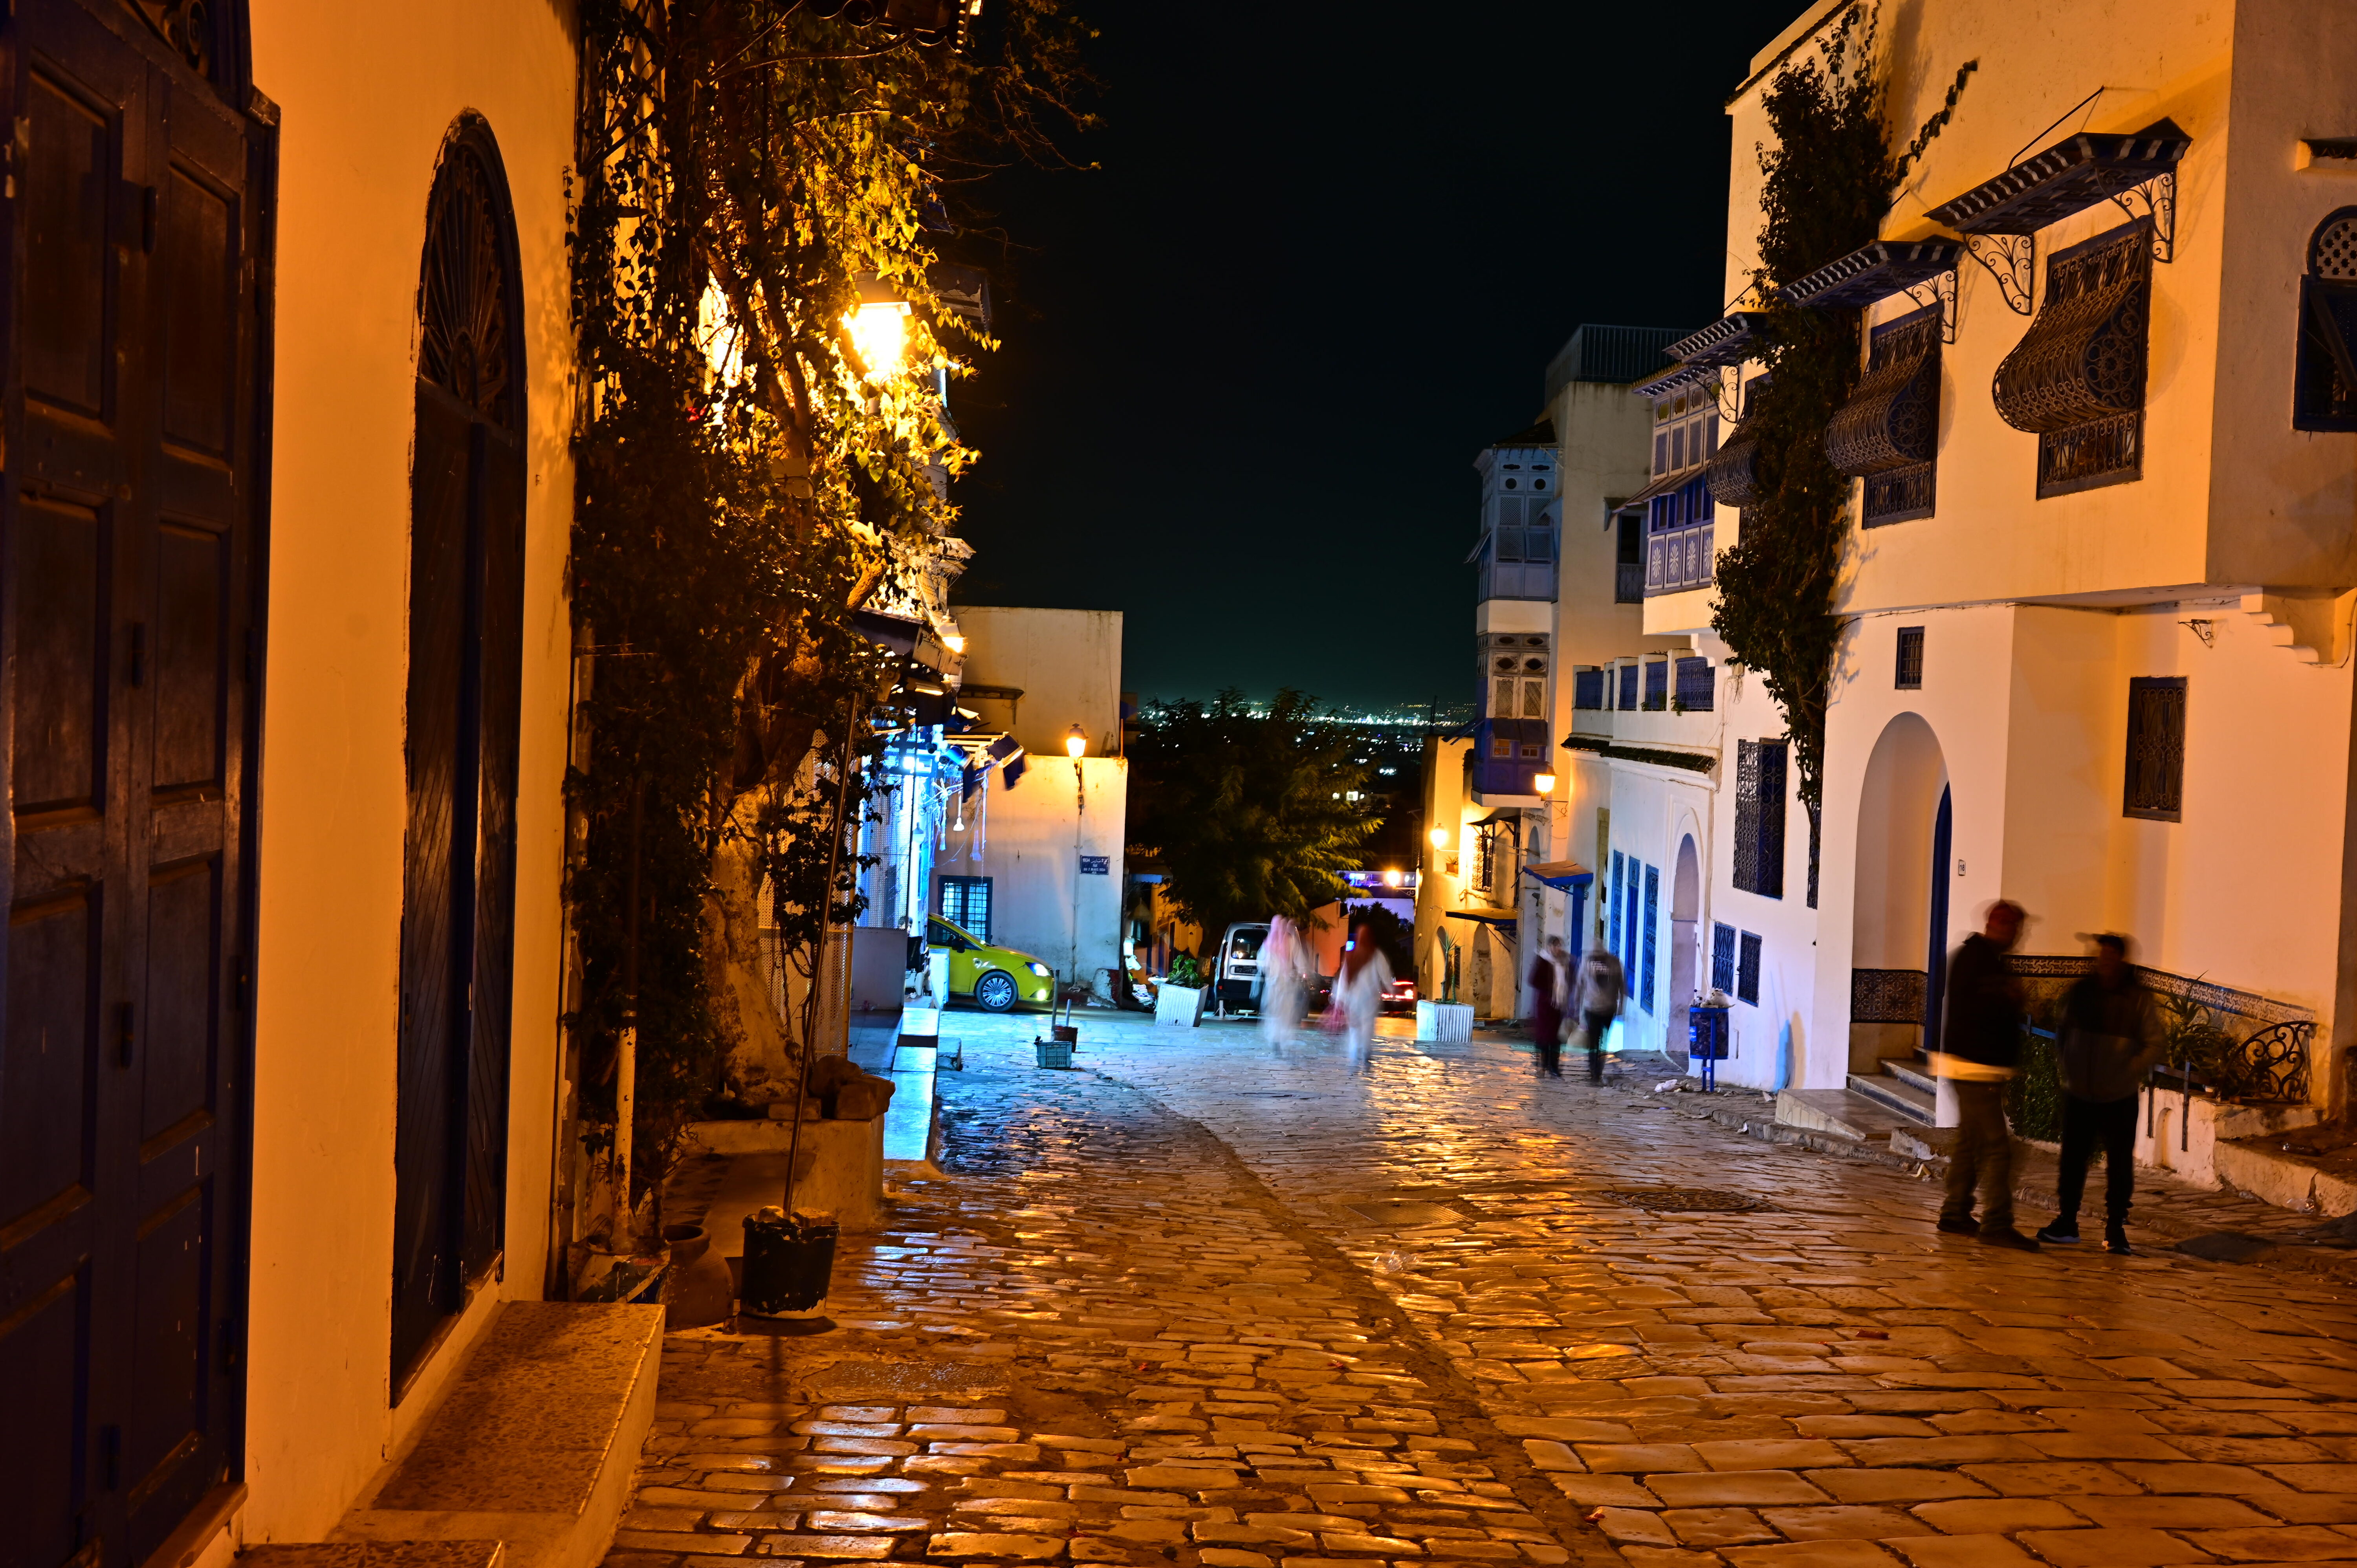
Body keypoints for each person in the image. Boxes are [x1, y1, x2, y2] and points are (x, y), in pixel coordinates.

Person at [2037, 934, 2164, 1255]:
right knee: (2072, 1160)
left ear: (2121, 960)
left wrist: (2127, 1069)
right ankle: (2067, 1222)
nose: (2105, 961)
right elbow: (2063, 1030)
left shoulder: (2136, 998)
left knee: (2119, 1164)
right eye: (2102, 955)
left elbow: (2153, 1041)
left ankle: (2115, 1229)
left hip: (2118, 1095)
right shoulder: (2082, 992)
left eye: (2111, 956)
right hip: (2080, 1091)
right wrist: (2068, 1065)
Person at [1932, 899, 2038, 1251]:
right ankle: (1997, 1222)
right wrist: (2011, 997)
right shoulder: (1979, 961)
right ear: (1999, 925)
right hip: (1977, 1068)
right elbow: (1983, 1013)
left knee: (1970, 1142)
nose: (2018, 935)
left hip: (1970, 1065)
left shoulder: (1983, 959)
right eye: (2014, 927)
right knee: (1998, 1148)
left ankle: (1955, 1212)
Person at [1332, 922, 1393, 1071]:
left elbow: (1344, 979)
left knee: (1354, 1028)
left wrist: (1339, 1000)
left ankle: (1354, 1054)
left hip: (1353, 999)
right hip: (1369, 1000)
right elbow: (1385, 974)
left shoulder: (1352, 955)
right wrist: (1392, 989)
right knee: (1367, 1027)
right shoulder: (1376, 955)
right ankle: (1365, 1053)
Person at [1569, 945, 1624, 1084]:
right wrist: (1576, 1006)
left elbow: (1621, 986)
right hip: (1592, 1009)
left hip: (1608, 1009)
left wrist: (1621, 1006)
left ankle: (1597, 1070)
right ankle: (1595, 1072)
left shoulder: (1614, 963)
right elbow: (1580, 984)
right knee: (1595, 1041)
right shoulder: (1587, 962)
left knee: (1603, 1042)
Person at [1259, 916, 1307, 1049]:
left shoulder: (1289, 942)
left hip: (1285, 985)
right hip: (1274, 985)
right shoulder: (1269, 944)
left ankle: (1280, 1039)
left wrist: (1301, 971)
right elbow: (1262, 961)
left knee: (1284, 1013)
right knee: (1275, 1012)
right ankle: (1276, 1039)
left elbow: (1298, 958)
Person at [1529, 936, 1571, 1078]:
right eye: (1555, 946)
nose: (1558, 949)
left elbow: (1569, 980)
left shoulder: (1565, 962)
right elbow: (1534, 980)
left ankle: (1554, 1066)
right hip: (1545, 1005)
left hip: (1558, 1005)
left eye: (1559, 946)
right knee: (1544, 1036)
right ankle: (1543, 1065)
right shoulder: (1543, 961)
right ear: (1549, 947)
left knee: (1555, 1036)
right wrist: (1550, 988)